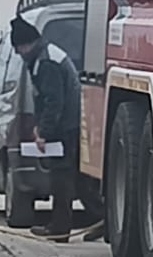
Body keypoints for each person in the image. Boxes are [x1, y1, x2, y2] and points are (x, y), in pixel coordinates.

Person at [9, 16, 104, 243]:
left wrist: (44, 133)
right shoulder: (45, 55)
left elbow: (54, 101)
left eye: (19, 48)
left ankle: (60, 229)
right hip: (71, 126)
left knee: (61, 180)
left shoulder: (47, 63)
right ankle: (104, 221)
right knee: (81, 181)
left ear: (26, 44)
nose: (19, 54)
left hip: (66, 129)